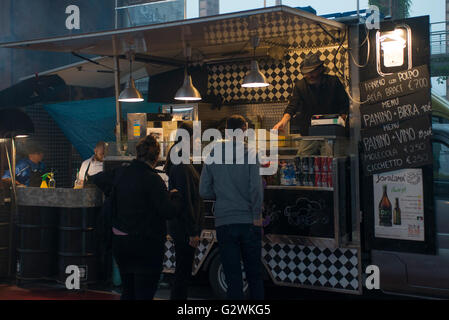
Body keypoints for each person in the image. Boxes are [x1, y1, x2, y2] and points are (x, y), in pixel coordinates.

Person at [92, 135, 181, 300]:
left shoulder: (121, 172)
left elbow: (97, 178)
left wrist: (112, 192)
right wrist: (175, 197)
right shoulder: (154, 180)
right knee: (144, 293)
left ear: (137, 154)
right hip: (146, 246)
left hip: (122, 244)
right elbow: (168, 211)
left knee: (128, 291)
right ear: (156, 158)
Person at [199, 115, 264, 300]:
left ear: (226, 131)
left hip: (224, 223)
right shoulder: (251, 153)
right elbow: (256, 188)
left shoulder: (213, 153)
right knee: (254, 276)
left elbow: (204, 190)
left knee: (232, 276)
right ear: (244, 130)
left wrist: (221, 194)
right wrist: (256, 213)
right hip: (249, 222)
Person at [273, 52, 349, 155]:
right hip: (309, 133)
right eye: (306, 72)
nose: (310, 75)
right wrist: (283, 122)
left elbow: (344, 105)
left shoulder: (333, 82)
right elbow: (292, 106)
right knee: (302, 159)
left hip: (332, 133)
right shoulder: (300, 86)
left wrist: (341, 122)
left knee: (331, 161)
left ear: (320, 69)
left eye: (313, 72)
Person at [164, 122, 204, 300]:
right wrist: (193, 232)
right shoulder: (181, 165)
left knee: (183, 272)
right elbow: (186, 201)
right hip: (184, 229)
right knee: (182, 273)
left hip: (181, 228)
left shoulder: (181, 162)